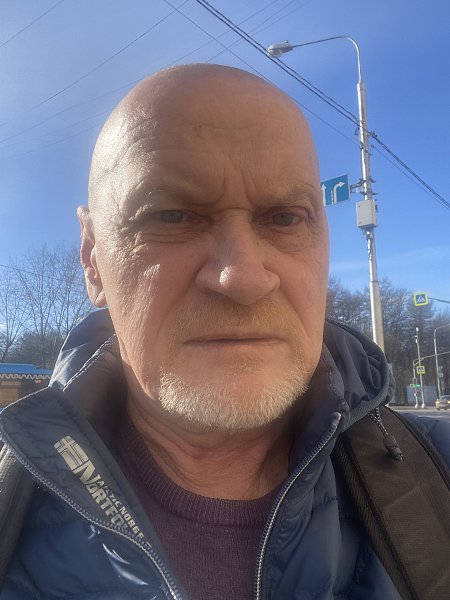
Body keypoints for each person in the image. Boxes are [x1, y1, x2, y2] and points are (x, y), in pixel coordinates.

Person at [0, 64, 449, 600]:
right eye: (172, 215)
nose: (243, 278)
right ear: (93, 259)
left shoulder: (437, 475)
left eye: (284, 217)